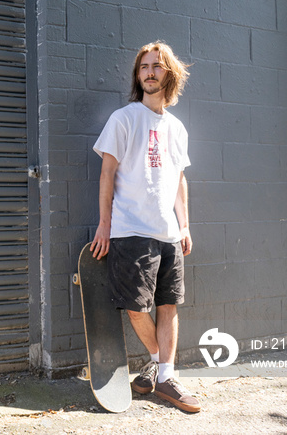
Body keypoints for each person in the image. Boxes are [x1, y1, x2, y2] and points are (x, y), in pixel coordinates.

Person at [90, 41, 200, 413]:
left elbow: (179, 180)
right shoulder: (123, 119)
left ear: (169, 73)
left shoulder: (178, 128)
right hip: (130, 229)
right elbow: (107, 173)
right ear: (139, 76)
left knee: (169, 305)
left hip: (168, 232)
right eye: (143, 67)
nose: (149, 72)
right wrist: (104, 225)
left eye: (156, 66)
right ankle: (160, 364)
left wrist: (184, 226)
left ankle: (164, 375)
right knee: (137, 307)